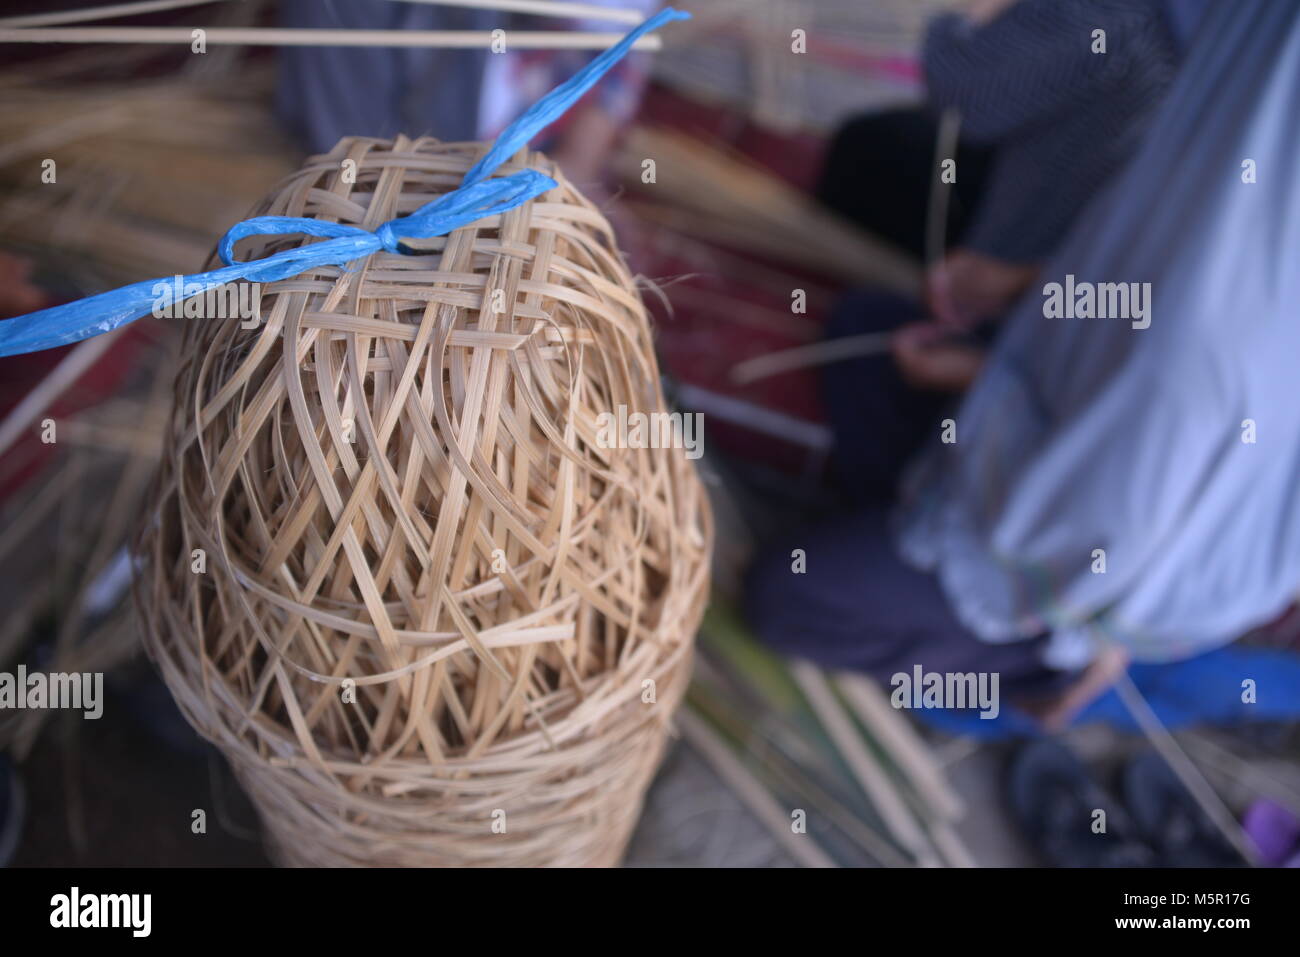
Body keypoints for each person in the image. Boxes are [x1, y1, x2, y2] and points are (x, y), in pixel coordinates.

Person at [746, 0, 1233, 727]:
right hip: (1059, 375)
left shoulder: (1139, 36)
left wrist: (982, 366)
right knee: (866, 332)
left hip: (1078, 526)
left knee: (785, 594)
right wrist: (1012, 295)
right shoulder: (1229, 102)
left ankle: (1033, 657)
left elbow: (1124, 401)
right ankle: (911, 527)